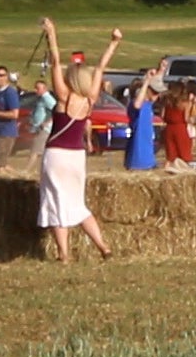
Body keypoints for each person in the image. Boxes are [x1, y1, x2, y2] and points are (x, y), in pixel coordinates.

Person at [33, 18, 126, 260]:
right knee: (76, 202)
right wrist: (114, 43)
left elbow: (55, 61)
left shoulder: (63, 96)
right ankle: (103, 247)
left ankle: (64, 254)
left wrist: (52, 34)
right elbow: (100, 68)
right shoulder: (90, 99)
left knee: (55, 202)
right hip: (77, 157)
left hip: (56, 154)